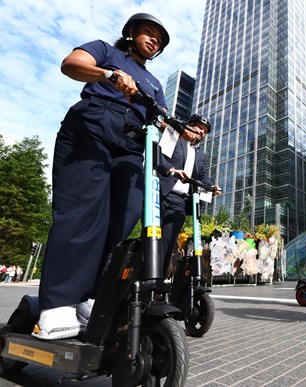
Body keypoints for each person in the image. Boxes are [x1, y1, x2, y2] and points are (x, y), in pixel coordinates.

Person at [33, 13, 171, 340]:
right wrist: (109, 75)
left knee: (123, 222)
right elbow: (72, 64)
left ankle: (89, 297)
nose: (153, 40)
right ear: (132, 32)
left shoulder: (153, 83)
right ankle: (58, 305)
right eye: (149, 33)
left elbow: (161, 118)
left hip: (132, 143)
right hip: (93, 126)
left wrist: (177, 127)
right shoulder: (108, 52)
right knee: (82, 212)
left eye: (159, 40)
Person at [157, 114, 221, 277]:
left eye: (205, 131)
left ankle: (157, 285)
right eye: (199, 128)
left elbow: (203, 178)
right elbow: (159, 157)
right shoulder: (174, 137)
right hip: (161, 194)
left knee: (169, 244)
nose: (201, 132)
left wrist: (212, 187)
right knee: (152, 239)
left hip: (179, 202)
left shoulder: (201, 156)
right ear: (189, 125)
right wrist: (171, 170)